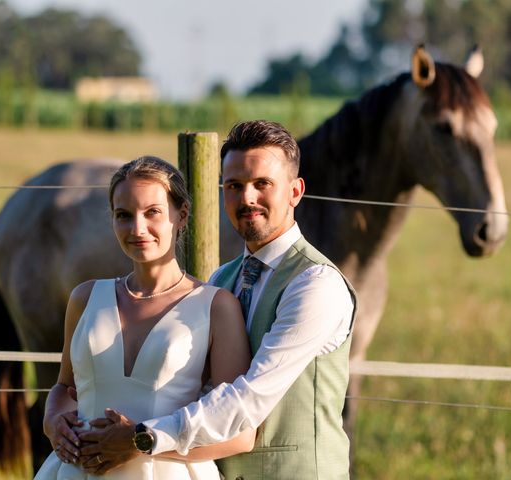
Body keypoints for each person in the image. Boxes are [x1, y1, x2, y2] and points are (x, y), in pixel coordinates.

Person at [77, 120, 357, 479]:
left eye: (262, 184)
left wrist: (140, 439)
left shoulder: (316, 284)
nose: (247, 198)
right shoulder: (220, 280)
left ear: (295, 191)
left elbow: (250, 398)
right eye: (234, 185)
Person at [34, 156, 255, 479]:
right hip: (77, 472)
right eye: (124, 215)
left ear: (181, 215)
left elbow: (240, 434)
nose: (138, 229)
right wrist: (52, 420)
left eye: (152, 212)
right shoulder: (85, 298)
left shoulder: (216, 306)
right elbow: (65, 388)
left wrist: (141, 443)